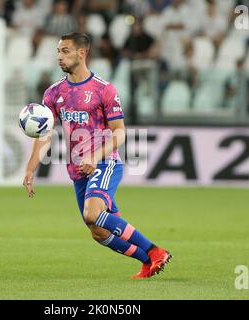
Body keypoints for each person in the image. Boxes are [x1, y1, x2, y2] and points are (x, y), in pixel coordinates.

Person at [22, 32, 172, 279]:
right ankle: (148, 261)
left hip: (105, 162)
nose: (60, 57)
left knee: (92, 213)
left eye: (65, 51)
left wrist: (95, 156)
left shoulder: (104, 89)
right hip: (78, 170)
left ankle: (156, 251)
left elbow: (120, 132)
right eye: (58, 51)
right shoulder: (53, 93)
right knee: (97, 231)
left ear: (82, 53)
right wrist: (30, 168)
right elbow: (45, 135)